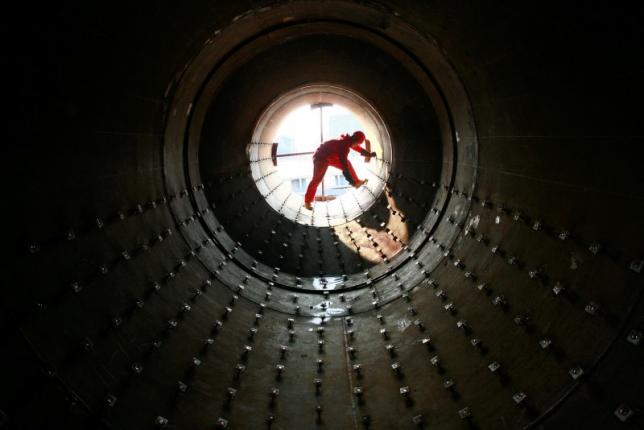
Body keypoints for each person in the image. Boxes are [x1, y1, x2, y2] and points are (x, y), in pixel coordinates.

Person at [303, 131, 376, 210]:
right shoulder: (345, 146)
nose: (358, 145)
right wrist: (349, 179)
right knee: (317, 180)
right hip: (321, 158)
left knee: (347, 164)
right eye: (358, 143)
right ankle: (307, 202)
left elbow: (358, 149)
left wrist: (369, 154)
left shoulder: (348, 141)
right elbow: (343, 162)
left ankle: (357, 182)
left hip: (330, 156)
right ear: (356, 141)